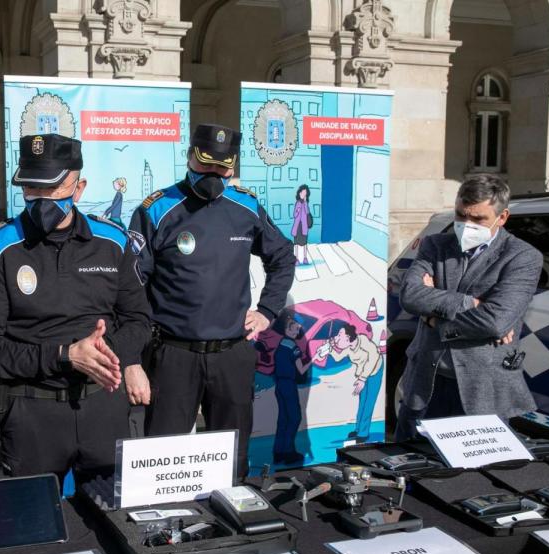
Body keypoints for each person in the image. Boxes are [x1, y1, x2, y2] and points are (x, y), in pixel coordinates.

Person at [0, 134, 151, 484]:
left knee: (114, 520)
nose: (39, 200)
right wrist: (64, 355)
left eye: (50, 188)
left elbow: (138, 320)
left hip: (103, 405)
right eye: (30, 189)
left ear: (78, 188)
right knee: (33, 527)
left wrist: (108, 354)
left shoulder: (113, 242)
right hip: (31, 412)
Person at [129, 123, 296, 478]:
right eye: (206, 164)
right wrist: (134, 352)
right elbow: (131, 284)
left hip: (231, 355)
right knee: (162, 461)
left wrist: (267, 310)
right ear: (190, 157)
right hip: (173, 355)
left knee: (232, 459)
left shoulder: (246, 206)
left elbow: (282, 256)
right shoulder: (157, 209)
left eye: (222, 167)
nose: (213, 173)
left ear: (232, 167)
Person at [396, 174, 542, 441]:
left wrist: (433, 318)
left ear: (503, 217)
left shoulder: (522, 257)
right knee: (412, 463)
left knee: (472, 478)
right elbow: (409, 295)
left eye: (478, 219)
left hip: (483, 387)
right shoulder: (435, 245)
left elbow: (495, 321)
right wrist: (470, 303)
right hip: (427, 380)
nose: (466, 225)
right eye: (461, 215)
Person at [316, 323, 383, 443]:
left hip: (375, 371)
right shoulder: (348, 348)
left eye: (339, 335)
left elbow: (374, 357)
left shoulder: (363, 340)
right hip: (363, 372)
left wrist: (362, 379)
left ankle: (363, 433)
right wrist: (328, 350)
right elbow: (338, 357)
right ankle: (358, 429)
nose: (337, 338)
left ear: (348, 338)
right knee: (362, 401)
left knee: (369, 402)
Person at [272, 312, 309, 465]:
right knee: (294, 418)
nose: (295, 332)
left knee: (283, 419)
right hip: (288, 384)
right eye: (292, 329)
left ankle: (278, 452)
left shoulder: (281, 344)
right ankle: (288, 452)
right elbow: (301, 370)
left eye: (296, 329)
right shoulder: (293, 347)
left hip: (279, 384)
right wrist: (314, 360)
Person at [291, 184, 313, 265]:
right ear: (299, 193)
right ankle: (296, 258)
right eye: (303, 193)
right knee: (296, 243)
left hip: (304, 226)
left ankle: (305, 258)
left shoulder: (306, 203)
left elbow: (307, 213)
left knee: (304, 243)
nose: (304, 194)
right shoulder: (297, 203)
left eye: (305, 193)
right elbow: (294, 215)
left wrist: (305, 203)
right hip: (297, 226)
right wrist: (299, 207)